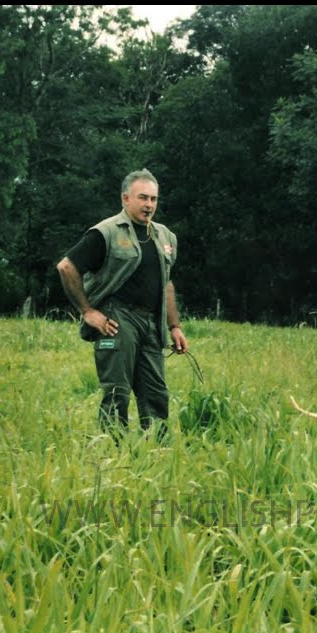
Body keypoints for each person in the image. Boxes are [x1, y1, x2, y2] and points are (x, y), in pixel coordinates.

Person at [56, 169, 188, 440]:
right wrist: (88, 311)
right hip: (117, 319)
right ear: (126, 199)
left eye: (153, 199)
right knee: (117, 392)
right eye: (143, 198)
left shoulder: (164, 237)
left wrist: (174, 326)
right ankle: (112, 457)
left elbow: (167, 283)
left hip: (151, 323)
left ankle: (158, 456)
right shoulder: (105, 233)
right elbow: (66, 267)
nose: (149, 205)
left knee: (156, 394)